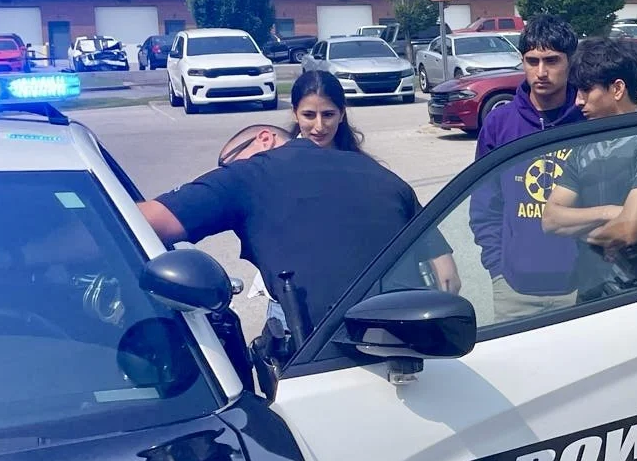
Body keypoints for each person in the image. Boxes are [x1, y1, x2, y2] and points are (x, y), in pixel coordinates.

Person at [137, 124, 455, 347]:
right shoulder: (375, 171)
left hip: (315, 349)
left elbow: (148, 221)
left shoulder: (251, 173)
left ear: (264, 139)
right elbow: (448, 277)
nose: (223, 170)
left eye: (225, 162)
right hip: (411, 338)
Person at [544, 38, 637, 301]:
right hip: (589, 290)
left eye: (586, 90)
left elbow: (629, 230)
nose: (577, 101)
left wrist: (584, 230)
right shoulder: (585, 146)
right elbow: (550, 219)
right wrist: (610, 213)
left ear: (617, 88)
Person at [469, 15, 586, 321]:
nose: (541, 72)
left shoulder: (587, 119)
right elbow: (484, 203)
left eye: (552, 60)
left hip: (582, 288)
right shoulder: (499, 123)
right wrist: (497, 267)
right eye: (532, 61)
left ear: (570, 61)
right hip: (514, 290)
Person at [289, 68, 362, 150]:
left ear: (342, 114)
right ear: (295, 114)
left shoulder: (359, 161)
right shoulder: (280, 160)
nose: (319, 127)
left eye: (328, 115)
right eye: (308, 115)